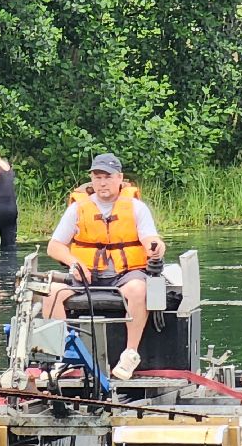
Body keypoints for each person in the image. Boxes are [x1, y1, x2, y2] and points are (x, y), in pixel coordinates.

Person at [43, 153, 164, 381]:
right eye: (97, 177)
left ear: (119, 178)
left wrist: (155, 249)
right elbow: (54, 246)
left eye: (107, 177)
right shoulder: (78, 209)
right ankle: (63, 358)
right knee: (51, 293)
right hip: (87, 276)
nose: (102, 183)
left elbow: (151, 239)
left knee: (139, 289)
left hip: (125, 275)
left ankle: (130, 354)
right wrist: (75, 263)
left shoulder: (136, 208)